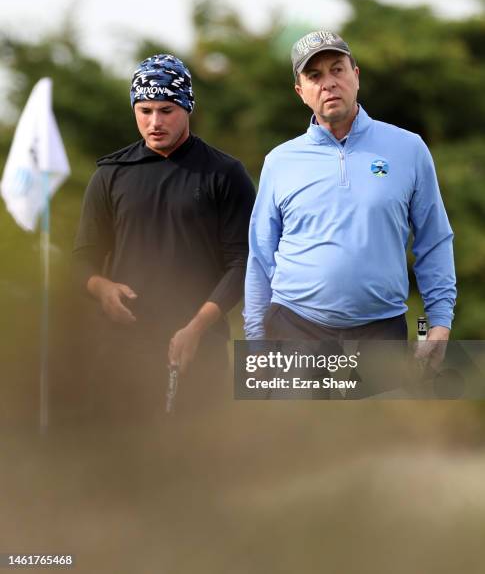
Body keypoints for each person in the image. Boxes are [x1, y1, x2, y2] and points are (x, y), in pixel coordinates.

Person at [244, 31, 456, 366]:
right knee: (297, 422)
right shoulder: (279, 161)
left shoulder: (409, 148)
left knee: (373, 421)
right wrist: (255, 344)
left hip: (380, 331)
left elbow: (434, 240)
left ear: (355, 76)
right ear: (301, 92)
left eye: (337, 70)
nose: (328, 83)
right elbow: (260, 256)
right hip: (293, 327)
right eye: (314, 76)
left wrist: (440, 323)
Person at [73, 54, 255, 418]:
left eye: (166, 110)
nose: (154, 122)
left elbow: (243, 262)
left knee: (197, 455)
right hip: (123, 345)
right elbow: (83, 258)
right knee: (121, 452)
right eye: (145, 110)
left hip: (199, 341)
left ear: (187, 107)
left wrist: (197, 326)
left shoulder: (224, 173)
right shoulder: (111, 174)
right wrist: (102, 288)